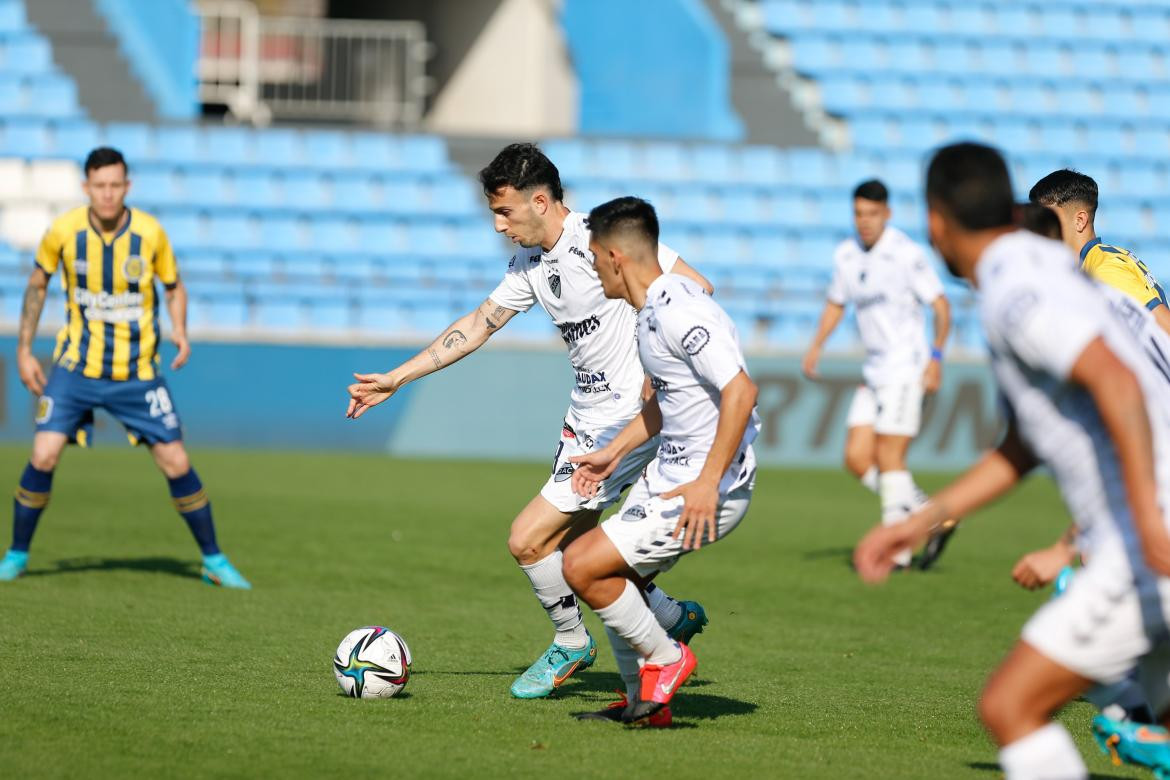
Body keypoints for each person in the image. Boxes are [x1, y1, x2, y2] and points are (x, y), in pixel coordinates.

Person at [346, 143, 713, 700]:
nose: (498, 226)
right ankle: (663, 616)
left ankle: (572, 641)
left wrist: (658, 366)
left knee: (527, 539)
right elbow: (479, 323)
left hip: (626, 422)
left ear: (541, 201)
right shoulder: (530, 263)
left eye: (505, 212)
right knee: (586, 551)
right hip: (584, 419)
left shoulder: (604, 239)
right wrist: (398, 377)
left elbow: (696, 289)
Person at [855, 142, 1170, 779]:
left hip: (1147, 535)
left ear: (937, 221)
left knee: (1011, 707)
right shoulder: (1052, 267)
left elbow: (1116, 381)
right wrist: (923, 521)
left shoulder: (1015, 288)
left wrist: (1147, 519)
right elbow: (1022, 447)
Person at [0, 147, 249, 588]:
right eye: (100, 186)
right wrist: (23, 350)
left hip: (137, 373)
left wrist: (181, 329)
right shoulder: (64, 232)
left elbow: (174, 287)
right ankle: (17, 554)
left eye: (116, 185)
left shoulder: (150, 234)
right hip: (76, 368)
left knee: (175, 460)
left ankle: (214, 559)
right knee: (43, 453)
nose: (108, 194)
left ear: (127, 187)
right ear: (86, 188)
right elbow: (37, 285)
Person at [563, 196, 759, 725]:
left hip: (701, 490)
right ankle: (643, 705)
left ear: (614, 257)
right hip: (668, 478)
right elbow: (665, 404)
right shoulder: (649, 314)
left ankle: (668, 658)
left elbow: (741, 391)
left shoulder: (681, 310)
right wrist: (612, 453)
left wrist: (707, 483)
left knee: (580, 564)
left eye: (593, 258)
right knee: (616, 579)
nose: (592, 268)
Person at [802, 179, 951, 569]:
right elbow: (836, 303)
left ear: (887, 213)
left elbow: (941, 306)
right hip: (874, 369)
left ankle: (897, 550)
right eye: (858, 214)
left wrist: (936, 357)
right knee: (855, 458)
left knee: (888, 454)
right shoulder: (846, 255)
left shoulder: (905, 253)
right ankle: (932, 515)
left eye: (871, 214)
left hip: (907, 367)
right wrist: (817, 345)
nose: (864, 221)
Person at [1029, 168, 1170, 338]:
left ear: (1080, 221)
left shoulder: (1104, 271)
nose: (1038, 230)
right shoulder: (1100, 260)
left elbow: (1164, 327)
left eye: (1047, 220)